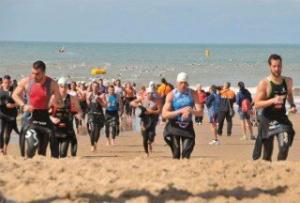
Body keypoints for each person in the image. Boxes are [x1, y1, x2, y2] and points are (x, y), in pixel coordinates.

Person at [12, 60, 63, 158]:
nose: (34, 76)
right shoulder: (26, 81)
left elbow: (60, 103)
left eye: (37, 74)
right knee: (32, 145)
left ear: (44, 72)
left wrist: (56, 102)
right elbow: (15, 95)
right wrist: (24, 105)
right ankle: (26, 159)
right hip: (30, 117)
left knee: (43, 150)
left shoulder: (52, 84)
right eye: (32, 73)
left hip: (44, 116)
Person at [253, 54, 296, 161]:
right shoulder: (264, 83)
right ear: (269, 66)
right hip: (267, 120)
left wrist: (292, 105)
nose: (277, 69)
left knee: (284, 147)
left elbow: (289, 95)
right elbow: (257, 104)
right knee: (267, 154)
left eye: (279, 66)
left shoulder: (288, 81)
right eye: (274, 66)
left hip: (281, 119)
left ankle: (279, 169)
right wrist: (272, 100)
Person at [162, 72, 202, 159]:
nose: (183, 85)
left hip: (187, 126)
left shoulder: (193, 93)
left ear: (188, 83)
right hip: (174, 126)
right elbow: (164, 114)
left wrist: (191, 111)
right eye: (181, 83)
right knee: (176, 154)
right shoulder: (171, 95)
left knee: (186, 154)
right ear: (177, 83)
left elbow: (200, 112)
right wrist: (180, 111)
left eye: (185, 83)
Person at [49, 77, 82, 158]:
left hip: (66, 128)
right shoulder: (53, 97)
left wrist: (79, 116)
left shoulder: (72, 98)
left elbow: (79, 110)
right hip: (54, 128)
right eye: (61, 86)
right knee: (54, 155)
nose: (63, 88)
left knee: (63, 154)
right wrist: (52, 119)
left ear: (68, 86)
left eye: (65, 86)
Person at [131, 87, 161, 157]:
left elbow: (159, 111)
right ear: (146, 94)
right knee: (144, 138)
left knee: (151, 135)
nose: (150, 95)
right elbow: (132, 103)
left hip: (152, 120)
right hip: (143, 120)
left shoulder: (156, 101)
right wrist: (138, 105)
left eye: (151, 93)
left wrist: (151, 111)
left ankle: (150, 142)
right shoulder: (142, 99)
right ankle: (146, 153)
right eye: (149, 93)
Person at [0, 75, 19, 155]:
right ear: (2, 83)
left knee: (8, 133)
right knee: (1, 131)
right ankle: (1, 149)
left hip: (11, 115)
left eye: (8, 82)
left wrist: (13, 105)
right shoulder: (0, 91)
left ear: (10, 82)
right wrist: (4, 103)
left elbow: (19, 102)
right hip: (2, 114)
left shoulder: (14, 91)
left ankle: (5, 148)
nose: (7, 84)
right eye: (5, 82)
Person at [86, 81, 106, 151]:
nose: (95, 88)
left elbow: (105, 105)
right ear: (91, 87)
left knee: (97, 131)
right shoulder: (88, 94)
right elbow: (88, 104)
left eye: (97, 87)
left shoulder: (102, 95)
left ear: (99, 88)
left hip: (99, 115)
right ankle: (92, 145)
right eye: (94, 86)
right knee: (92, 130)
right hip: (91, 114)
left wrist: (99, 100)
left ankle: (95, 143)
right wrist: (89, 99)